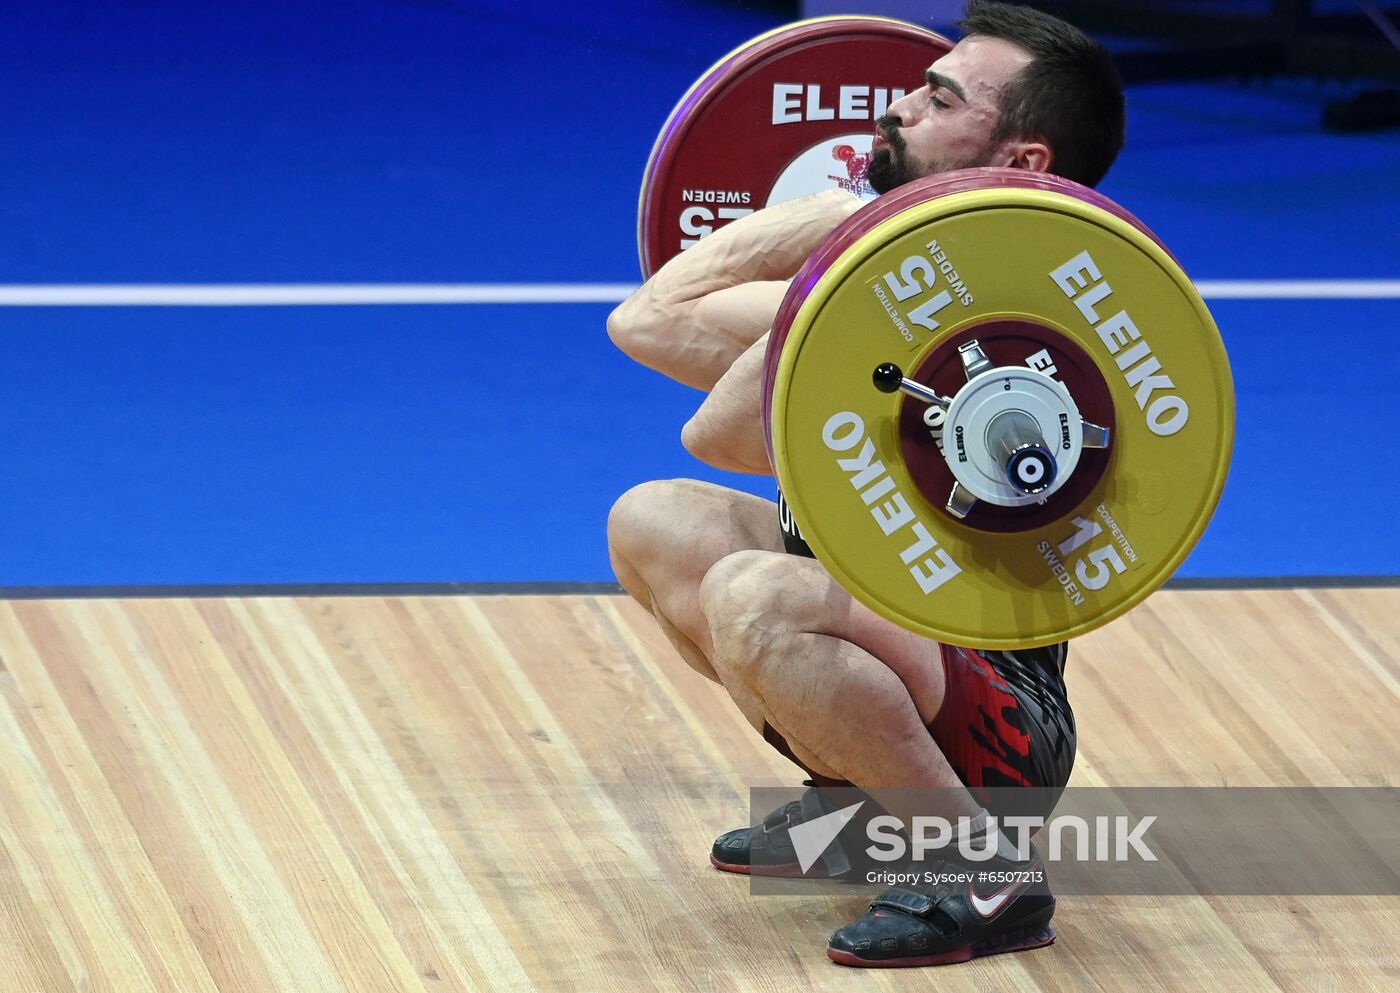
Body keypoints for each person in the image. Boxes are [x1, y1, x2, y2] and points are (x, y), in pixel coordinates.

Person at [606, 0, 1125, 969]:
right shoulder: (881, 282)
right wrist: (847, 231)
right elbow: (645, 321)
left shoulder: (1027, 322)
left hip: (998, 728)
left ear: (1017, 166)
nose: (895, 106)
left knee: (756, 593)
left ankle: (979, 871)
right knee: (651, 522)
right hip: (891, 646)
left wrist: (847, 249)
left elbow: (717, 433)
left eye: (935, 100)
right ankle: (861, 810)